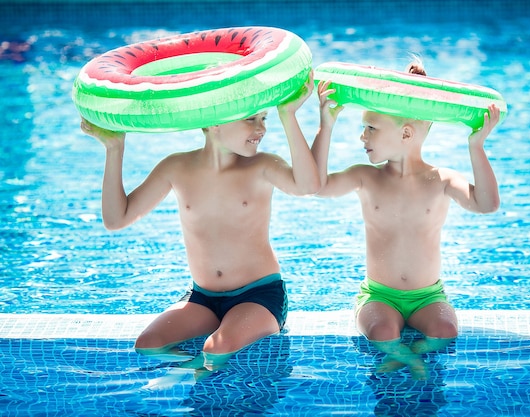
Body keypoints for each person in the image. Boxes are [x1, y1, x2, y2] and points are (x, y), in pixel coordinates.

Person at [81, 73, 320, 370]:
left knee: (216, 348)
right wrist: (114, 149)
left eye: (264, 118)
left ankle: (196, 370)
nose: (261, 128)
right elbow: (116, 219)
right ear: (213, 121)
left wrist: (288, 115)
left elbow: (308, 186)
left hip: (259, 295)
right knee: (148, 345)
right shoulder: (176, 167)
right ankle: (199, 369)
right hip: (203, 296)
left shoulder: (262, 166)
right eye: (251, 119)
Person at [312, 60, 501, 378]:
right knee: (381, 332)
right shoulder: (365, 177)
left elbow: (487, 204)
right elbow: (316, 187)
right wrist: (325, 125)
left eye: (371, 128)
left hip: (428, 296)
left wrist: (476, 145)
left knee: (445, 330)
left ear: (406, 133)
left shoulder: (441, 179)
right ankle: (411, 360)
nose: (362, 137)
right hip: (379, 295)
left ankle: (404, 355)